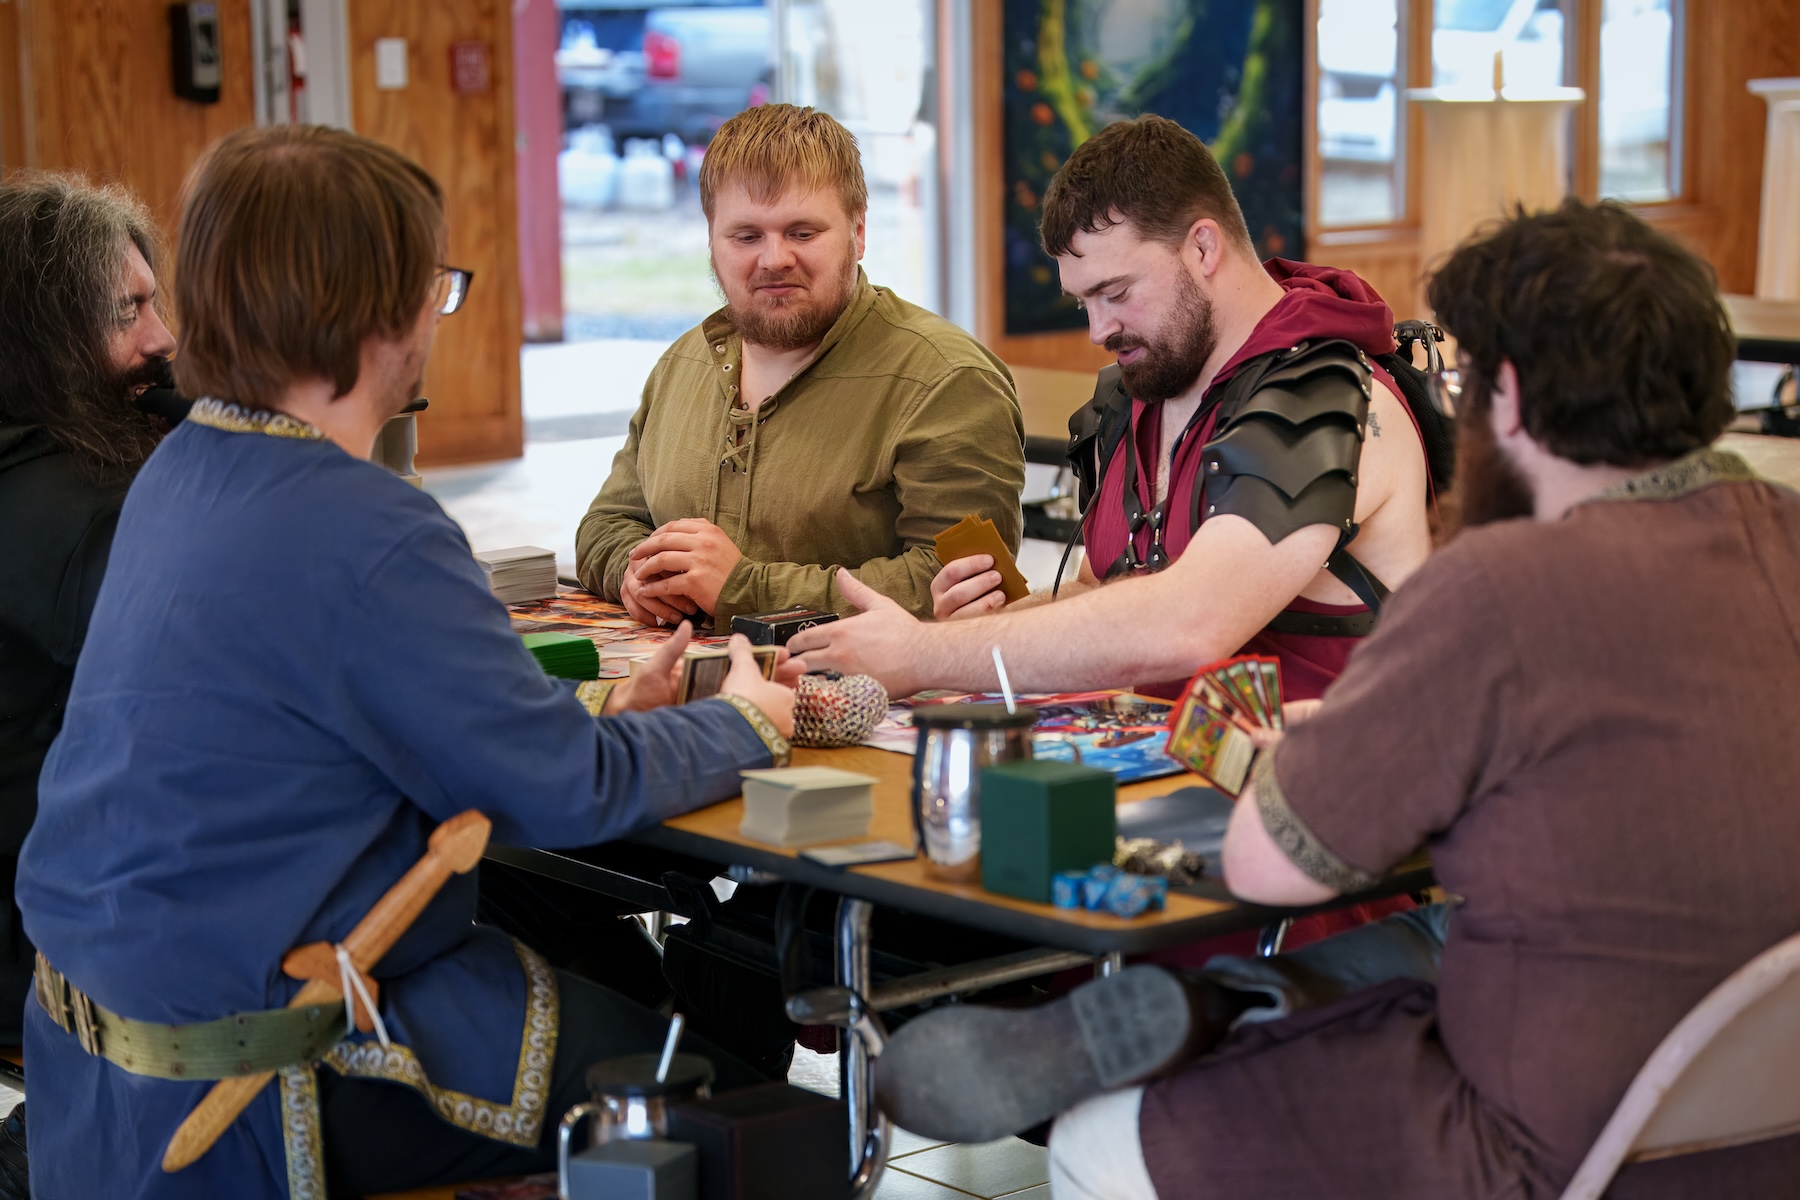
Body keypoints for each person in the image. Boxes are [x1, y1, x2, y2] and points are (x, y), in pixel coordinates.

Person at [872, 200, 1800, 1199]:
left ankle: (1204, 1016)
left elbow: (1270, 866)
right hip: (1760, 1098)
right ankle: (1230, 1006)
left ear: (1513, 397)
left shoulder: (1498, 588)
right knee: (1422, 941)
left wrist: (1304, 759)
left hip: (1548, 1127)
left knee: (1101, 1136)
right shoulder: (1784, 534)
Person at [17, 124, 799, 1200]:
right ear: (376, 314)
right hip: (260, 1061)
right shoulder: (367, 523)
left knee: (608, 981)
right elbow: (564, 792)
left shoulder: (181, 469)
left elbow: (351, 725)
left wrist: (606, 711)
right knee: (755, 1114)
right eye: (430, 286)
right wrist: (748, 717)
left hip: (103, 1048)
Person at [790, 115, 1432, 704]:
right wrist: (989, 627)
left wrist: (924, 654)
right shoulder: (1142, 392)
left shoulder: (1331, 396)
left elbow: (1190, 622)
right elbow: (1110, 591)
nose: (1098, 330)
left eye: (1116, 291)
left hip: (1322, 804)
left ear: (1203, 249)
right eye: (1082, 302)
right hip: (1162, 784)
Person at [575, 103, 1026, 626]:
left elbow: (968, 585)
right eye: (746, 236)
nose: (774, 260)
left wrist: (746, 589)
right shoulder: (681, 365)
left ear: (858, 233)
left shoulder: (946, 382)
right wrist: (638, 574)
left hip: (871, 698)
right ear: (711, 241)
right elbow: (606, 523)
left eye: (802, 233)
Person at [0, 173, 175, 1200]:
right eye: (128, 313)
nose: (163, 339)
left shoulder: (56, 464)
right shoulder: (57, 506)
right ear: (42, 343)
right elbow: (216, 661)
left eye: (155, 300)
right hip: (56, 923)